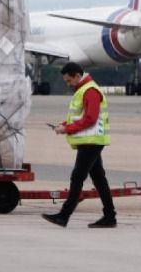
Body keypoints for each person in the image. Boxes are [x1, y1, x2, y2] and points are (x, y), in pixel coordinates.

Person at [42, 61, 116, 228]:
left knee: (77, 177)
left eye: (69, 81)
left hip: (91, 141)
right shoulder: (83, 90)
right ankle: (110, 216)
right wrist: (64, 125)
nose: (68, 84)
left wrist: (67, 129)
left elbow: (90, 118)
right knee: (99, 179)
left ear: (77, 75)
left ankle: (64, 215)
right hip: (91, 141)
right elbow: (78, 117)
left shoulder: (89, 90)